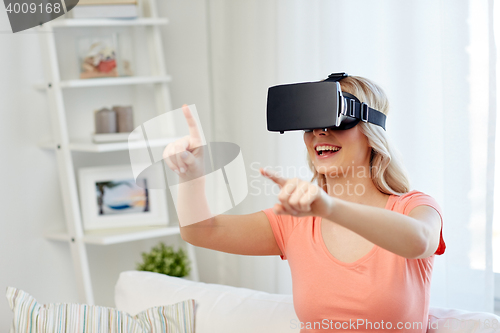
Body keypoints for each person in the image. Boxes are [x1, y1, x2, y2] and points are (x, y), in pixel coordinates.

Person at [162, 75, 446, 333]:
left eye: (334, 119)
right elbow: (200, 231)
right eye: (310, 123)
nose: (319, 133)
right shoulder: (296, 220)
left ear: (371, 132)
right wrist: (191, 174)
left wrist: (330, 208)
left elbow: (419, 241)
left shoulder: (414, 207)